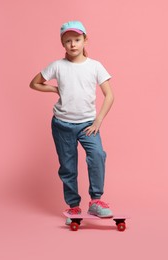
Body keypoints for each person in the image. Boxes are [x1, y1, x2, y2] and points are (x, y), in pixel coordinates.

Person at [29, 21, 114, 224]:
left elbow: (109, 95)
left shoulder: (95, 66)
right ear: (62, 43)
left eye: (77, 40)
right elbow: (34, 83)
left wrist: (98, 120)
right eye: (68, 41)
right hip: (62, 125)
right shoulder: (57, 66)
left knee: (97, 155)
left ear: (85, 40)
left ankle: (96, 201)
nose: (73, 44)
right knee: (68, 166)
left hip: (87, 125)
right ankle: (73, 206)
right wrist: (53, 89)